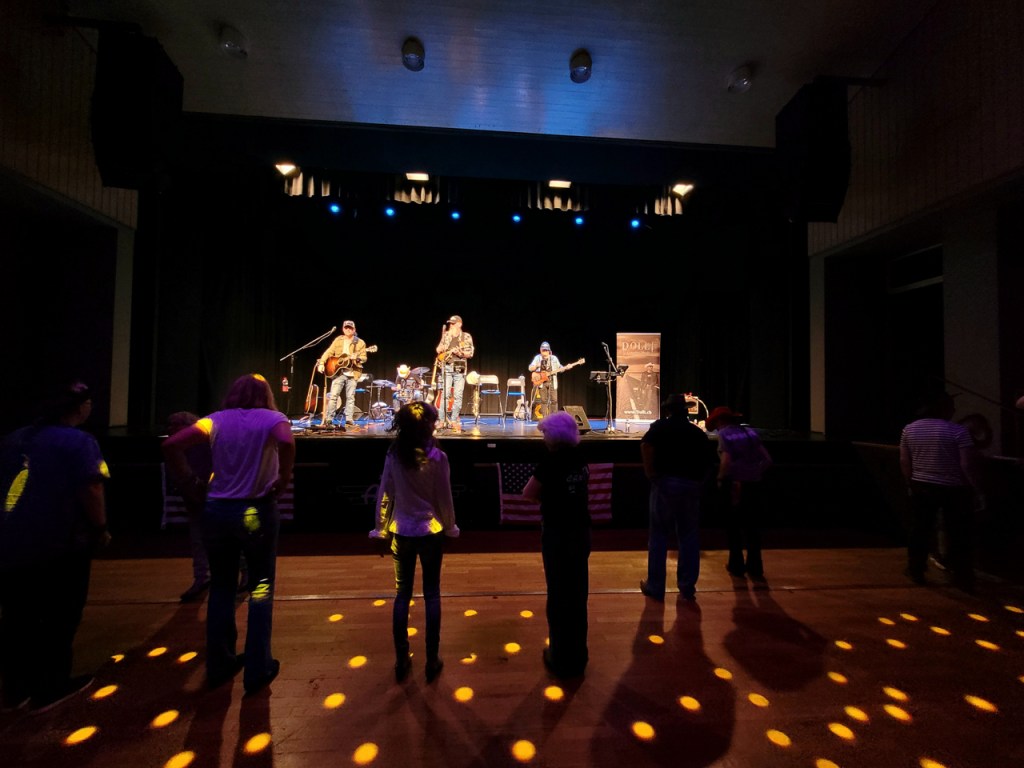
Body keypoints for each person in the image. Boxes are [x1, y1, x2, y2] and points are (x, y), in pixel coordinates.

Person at [162, 373, 296, 695]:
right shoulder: (273, 419)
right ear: (266, 394)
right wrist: (284, 478)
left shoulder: (216, 420)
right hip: (255, 511)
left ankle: (220, 664)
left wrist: (189, 482)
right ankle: (258, 667)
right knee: (261, 586)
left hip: (218, 511)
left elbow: (170, 444)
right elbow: (287, 442)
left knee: (222, 587)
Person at [0, 381, 111, 713]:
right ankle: (50, 686)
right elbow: (91, 488)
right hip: (60, 540)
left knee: (17, 613)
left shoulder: (12, 438)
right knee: (60, 612)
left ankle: (15, 688)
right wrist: (100, 528)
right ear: (80, 407)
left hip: (11, 539)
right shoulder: (79, 441)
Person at [369, 401, 459, 682]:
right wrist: (450, 528)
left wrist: (380, 528)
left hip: (402, 531)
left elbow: (385, 493)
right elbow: (444, 499)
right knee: (431, 594)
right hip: (430, 532)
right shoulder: (438, 458)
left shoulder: (394, 454)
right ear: (428, 426)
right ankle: (432, 659)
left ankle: (401, 659)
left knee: (402, 594)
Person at [523, 410, 591, 678]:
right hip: (581, 530)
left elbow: (529, 493)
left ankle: (560, 656)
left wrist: (550, 498)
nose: (543, 439)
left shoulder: (550, 462)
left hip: (557, 532)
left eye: (545, 434)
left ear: (553, 436)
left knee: (558, 593)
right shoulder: (581, 459)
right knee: (578, 593)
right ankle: (579, 655)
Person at [639, 392, 716, 601]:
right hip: (690, 486)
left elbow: (646, 446)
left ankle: (656, 587)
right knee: (689, 536)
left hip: (664, 484)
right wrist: (700, 482)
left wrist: (650, 472)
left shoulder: (660, 427)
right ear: (685, 411)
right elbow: (710, 462)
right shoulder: (696, 432)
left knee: (659, 536)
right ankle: (687, 587)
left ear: (668, 410)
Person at [899, 392, 980, 591]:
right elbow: (967, 464)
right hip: (954, 488)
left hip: (921, 485)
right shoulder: (958, 431)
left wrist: (910, 483)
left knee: (920, 529)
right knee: (958, 532)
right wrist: (976, 487)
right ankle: (962, 575)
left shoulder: (910, 429)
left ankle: (916, 569)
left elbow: (904, 461)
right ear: (945, 409)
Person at [706, 406, 773, 581]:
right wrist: (753, 472)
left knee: (734, 526)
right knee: (752, 527)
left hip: (735, 485)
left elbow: (726, 460)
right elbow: (767, 459)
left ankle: (736, 566)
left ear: (719, 421)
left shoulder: (724, 434)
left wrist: (720, 478)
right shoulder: (750, 432)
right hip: (754, 484)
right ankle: (755, 568)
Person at [317, 320, 369, 428]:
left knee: (350, 397)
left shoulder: (360, 342)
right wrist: (322, 363)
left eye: (350, 328)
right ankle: (329, 419)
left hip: (353, 372)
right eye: (346, 328)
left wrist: (357, 358)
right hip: (338, 372)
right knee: (333, 396)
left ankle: (349, 420)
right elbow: (329, 352)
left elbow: (364, 357)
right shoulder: (338, 340)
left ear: (354, 330)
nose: (348, 329)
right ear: (343, 329)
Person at [434, 315, 475, 432]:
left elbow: (470, 353)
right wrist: (441, 348)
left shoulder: (466, 336)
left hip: (459, 368)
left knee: (458, 395)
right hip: (446, 367)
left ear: (459, 324)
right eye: (450, 323)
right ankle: (441, 420)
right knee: (445, 394)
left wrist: (460, 353)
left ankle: (454, 421)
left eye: (453, 323)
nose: (451, 325)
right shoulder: (446, 335)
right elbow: (438, 349)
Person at [528, 342, 563, 420]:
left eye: (546, 350)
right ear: (540, 350)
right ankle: (544, 419)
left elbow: (560, 367)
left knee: (554, 400)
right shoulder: (537, 358)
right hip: (542, 382)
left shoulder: (554, 358)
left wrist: (565, 367)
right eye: (543, 350)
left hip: (552, 381)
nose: (545, 351)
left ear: (549, 351)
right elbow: (530, 368)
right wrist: (537, 365)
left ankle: (554, 418)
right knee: (543, 400)